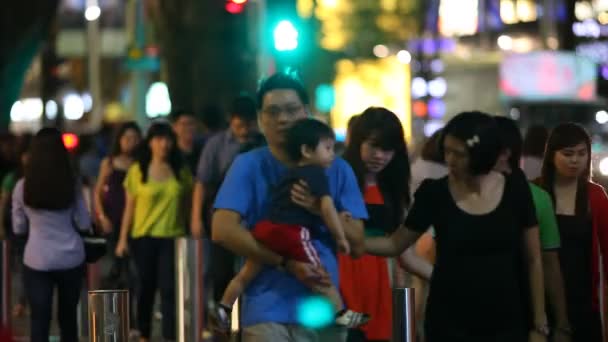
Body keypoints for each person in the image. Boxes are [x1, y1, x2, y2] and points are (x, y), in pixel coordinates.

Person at [211, 71, 367, 342]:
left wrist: (319, 209)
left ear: (306, 112)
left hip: (323, 313)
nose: (282, 119)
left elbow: (357, 241)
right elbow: (222, 230)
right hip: (266, 313)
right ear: (260, 119)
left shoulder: (337, 168)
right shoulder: (247, 165)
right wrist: (285, 262)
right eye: (272, 112)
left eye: (292, 110)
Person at [364, 111, 547, 342]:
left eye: (458, 154)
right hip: (449, 319)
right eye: (447, 151)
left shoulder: (515, 190)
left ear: (481, 154)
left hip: (506, 318)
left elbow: (534, 259)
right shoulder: (435, 192)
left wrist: (539, 323)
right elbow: (395, 243)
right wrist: (350, 239)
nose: (450, 159)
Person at [493, 117, 572, 341]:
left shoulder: (536, 198)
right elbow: (548, 263)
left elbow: (547, 262)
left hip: (518, 311)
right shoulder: (538, 197)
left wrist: (554, 321)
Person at [338, 107, 411, 342]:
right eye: (373, 146)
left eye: (387, 149)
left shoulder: (392, 186)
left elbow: (400, 245)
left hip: (380, 278)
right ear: (358, 142)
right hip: (341, 272)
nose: (380, 155)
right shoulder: (339, 177)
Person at [115, 122, 193, 342]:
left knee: (169, 290)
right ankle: (144, 334)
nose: (164, 145)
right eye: (159, 140)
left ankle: (170, 335)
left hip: (172, 237)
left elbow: (188, 202)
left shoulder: (181, 170)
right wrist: (122, 239)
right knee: (145, 288)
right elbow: (129, 208)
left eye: (168, 140)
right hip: (143, 238)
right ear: (149, 143)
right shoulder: (138, 170)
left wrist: (189, 226)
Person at [12, 128, 91, 342]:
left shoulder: (22, 186)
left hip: (37, 259)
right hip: (71, 258)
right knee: (68, 320)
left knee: (39, 319)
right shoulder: (72, 183)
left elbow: (18, 227)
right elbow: (84, 222)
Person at [537, 123, 608, 341]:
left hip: (585, 301)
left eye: (581, 154)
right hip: (541, 298)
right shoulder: (537, 193)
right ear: (551, 155)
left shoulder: (595, 196)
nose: (575, 160)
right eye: (567, 154)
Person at [93, 122, 141, 327]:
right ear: (119, 139)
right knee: (114, 271)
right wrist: (102, 217)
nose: (130, 142)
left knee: (134, 274)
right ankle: (114, 319)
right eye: (126, 137)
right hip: (113, 223)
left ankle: (132, 319)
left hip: (136, 225)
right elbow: (97, 193)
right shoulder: (110, 162)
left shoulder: (141, 164)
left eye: (134, 138)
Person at [0, 135, 31, 317]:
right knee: (20, 267)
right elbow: (4, 202)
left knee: (26, 267)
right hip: (16, 229)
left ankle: (24, 301)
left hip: (34, 229)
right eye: (26, 155)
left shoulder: (40, 177)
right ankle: (20, 302)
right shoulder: (13, 178)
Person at [170, 110, 202, 174]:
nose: (189, 128)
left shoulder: (204, 151)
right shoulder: (170, 153)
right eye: (184, 124)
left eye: (191, 124)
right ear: (174, 127)